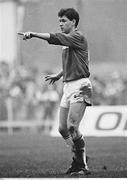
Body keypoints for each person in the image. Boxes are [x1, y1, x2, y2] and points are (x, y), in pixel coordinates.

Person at [18, 8, 92, 175]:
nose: (60, 23)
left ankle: (81, 164)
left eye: (64, 21)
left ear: (73, 22)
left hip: (81, 86)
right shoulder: (70, 42)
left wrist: (34, 34)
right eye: (59, 21)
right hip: (68, 86)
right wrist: (59, 75)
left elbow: (55, 38)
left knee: (73, 126)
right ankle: (79, 157)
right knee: (62, 129)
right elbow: (78, 62)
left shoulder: (77, 36)